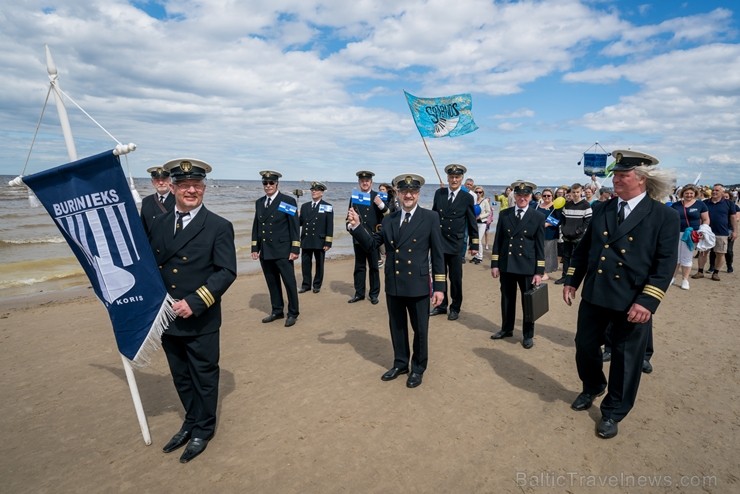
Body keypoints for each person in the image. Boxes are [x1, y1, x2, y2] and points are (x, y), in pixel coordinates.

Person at [563, 149, 679, 439]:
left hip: (632, 299)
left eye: (622, 175)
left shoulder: (663, 216)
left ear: (640, 180)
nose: (615, 180)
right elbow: (585, 249)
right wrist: (571, 281)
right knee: (585, 346)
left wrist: (648, 301)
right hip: (595, 293)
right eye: (614, 174)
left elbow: (665, 264)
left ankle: (613, 411)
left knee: (626, 360)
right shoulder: (603, 209)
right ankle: (592, 386)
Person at [149, 158, 237, 463]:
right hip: (166, 316)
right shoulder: (158, 223)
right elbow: (150, 266)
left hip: (200, 317)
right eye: (184, 185)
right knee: (181, 376)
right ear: (172, 187)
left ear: (204, 188)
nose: (191, 190)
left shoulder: (218, 226)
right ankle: (190, 419)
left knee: (203, 375)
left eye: (196, 185)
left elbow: (226, 271)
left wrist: (195, 302)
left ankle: (204, 428)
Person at [346, 173, 446, 389]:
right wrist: (357, 227)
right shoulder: (389, 219)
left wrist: (439, 287)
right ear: (398, 194)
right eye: (404, 192)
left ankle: (418, 368)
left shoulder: (430, 218)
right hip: (394, 283)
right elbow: (373, 244)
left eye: (412, 191)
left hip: (418, 285)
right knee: (397, 327)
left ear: (418, 194)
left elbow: (438, 255)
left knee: (420, 329)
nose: (408, 195)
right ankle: (401, 363)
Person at [490, 181, 545, 349]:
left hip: (527, 265)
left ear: (530, 197)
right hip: (507, 264)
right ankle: (506, 328)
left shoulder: (538, 217)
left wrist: (539, 271)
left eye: (525, 195)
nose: (522, 198)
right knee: (507, 299)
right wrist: (494, 263)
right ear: (514, 195)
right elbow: (498, 240)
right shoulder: (505, 214)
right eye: (519, 195)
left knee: (528, 301)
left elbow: (539, 246)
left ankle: (528, 335)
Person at [251, 170, 301, 327]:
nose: (268, 186)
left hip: (283, 250)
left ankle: (293, 313)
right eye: (265, 183)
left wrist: (295, 248)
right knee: (272, 282)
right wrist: (255, 247)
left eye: (271, 183)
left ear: (277, 183)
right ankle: (277, 310)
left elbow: (294, 226)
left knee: (289, 283)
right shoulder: (259, 202)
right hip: (265, 251)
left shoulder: (287, 201)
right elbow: (257, 225)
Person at [430, 164, 479, 320]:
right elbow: (433, 216)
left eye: (457, 177)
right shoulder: (440, 193)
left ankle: (455, 307)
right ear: (447, 178)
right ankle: (441, 305)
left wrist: (474, 244)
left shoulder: (467, 197)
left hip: (456, 244)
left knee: (455, 278)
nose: (454, 180)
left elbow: (472, 221)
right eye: (451, 177)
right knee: (440, 275)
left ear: (462, 179)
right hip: (439, 241)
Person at [347, 170, 388, 304]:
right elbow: (350, 217)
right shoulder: (354, 197)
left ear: (371, 182)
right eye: (362, 181)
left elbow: (388, 214)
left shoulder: (378, 196)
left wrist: (380, 203)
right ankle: (359, 293)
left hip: (373, 239)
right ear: (359, 182)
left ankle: (374, 294)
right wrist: (349, 227)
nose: (365, 183)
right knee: (359, 267)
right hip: (358, 238)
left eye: (367, 181)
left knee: (374, 267)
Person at [693, 184, 738, 281]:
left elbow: (733, 218)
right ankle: (700, 271)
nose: (714, 192)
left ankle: (716, 273)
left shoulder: (729, 203)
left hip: (721, 232)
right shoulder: (705, 203)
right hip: (706, 232)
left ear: (722, 192)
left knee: (720, 253)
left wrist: (735, 231)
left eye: (717, 190)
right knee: (703, 252)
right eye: (713, 190)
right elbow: (699, 217)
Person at [671, 185, 709, 289]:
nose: (689, 195)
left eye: (691, 193)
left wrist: (703, 230)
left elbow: (706, 219)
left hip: (692, 234)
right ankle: (672, 278)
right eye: (686, 193)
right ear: (682, 193)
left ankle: (685, 280)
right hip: (676, 233)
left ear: (695, 194)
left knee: (687, 257)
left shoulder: (700, 205)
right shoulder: (676, 205)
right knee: (675, 257)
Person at [299, 181, 333, 294]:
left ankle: (317, 285)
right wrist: (296, 215)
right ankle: (306, 285)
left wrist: (328, 242)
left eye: (317, 190)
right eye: (312, 190)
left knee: (319, 264)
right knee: (305, 264)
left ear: (322, 192)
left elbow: (329, 225)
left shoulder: (327, 206)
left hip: (319, 240)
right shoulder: (304, 206)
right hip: (306, 239)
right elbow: (300, 223)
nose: (314, 191)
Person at [555, 183, 592, 284]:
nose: (575, 194)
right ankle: (565, 276)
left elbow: (587, 221)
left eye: (577, 192)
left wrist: (578, 231)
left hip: (578, 237)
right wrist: (563, 229)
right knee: (566, 257)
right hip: (567, 236)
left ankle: (574, 277)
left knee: (577, 258)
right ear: (571, 192)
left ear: (581, 192)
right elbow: (563, 219)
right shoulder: (567, 205)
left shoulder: (586, 205)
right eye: (574, 192)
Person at [707, 189, 739, 275]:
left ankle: (729, 265)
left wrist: (735, 231)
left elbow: (736, 218)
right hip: (716, 230)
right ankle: (712, 266)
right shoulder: (710, 203)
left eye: (727, 197)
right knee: (713, 251)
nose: (725, 198)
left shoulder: (733, 206)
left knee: (728, 250)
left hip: (728, 230)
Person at [140, 165, 175, 235]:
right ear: (152, 182)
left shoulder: (179, 200)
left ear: (170, 180)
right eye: (157, 180)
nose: (161, 183)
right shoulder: (146, 201)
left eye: (164, 179)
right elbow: (143, 229)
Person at [536, 188, 559, 280]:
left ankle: (545, 272)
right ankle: (538, 270)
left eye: (548, 195)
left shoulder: (555, 207)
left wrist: (548, 223)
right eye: (544, 195)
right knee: (539, 253)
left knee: (547, 253)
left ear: (552, 196)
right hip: (538, 233)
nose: (546, 197)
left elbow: (559, 219)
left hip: (550, 233)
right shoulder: (538, 206)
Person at [473, 186, 492, 264]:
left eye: (480, 192)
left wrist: (480, 217)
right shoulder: (473, 201)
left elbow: (488, 212)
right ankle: (476, 255)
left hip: (482, 222)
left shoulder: (485, 201)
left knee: (479, 240)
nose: (478, 194)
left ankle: (480, 257)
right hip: (474, 222)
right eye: (476, 192)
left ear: (482, 193)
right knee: (474, 239)